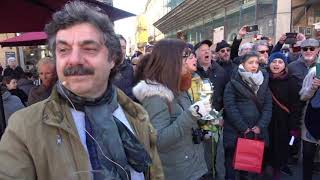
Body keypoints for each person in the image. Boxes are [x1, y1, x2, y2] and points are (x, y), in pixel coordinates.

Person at [0, 1, 163, 180]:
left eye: (89, 48)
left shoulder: (136, 115)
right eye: (63, 49)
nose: (74, 59)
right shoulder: (24, 128)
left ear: (113, 59)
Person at [133, 39, 210, 180]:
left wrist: (203, 125)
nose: (192, 58)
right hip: (179, 172)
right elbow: (159, 140)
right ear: (172, 60)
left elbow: (184, 126)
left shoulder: (180, 87)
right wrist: (191, 115)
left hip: (194, 166)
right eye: (187, 55)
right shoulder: (155, 95)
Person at [223, 52, 272, 180]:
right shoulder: (232, 83)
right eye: (250, 62)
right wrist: (243, 127)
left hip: (257, 132)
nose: (254, 65)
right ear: (243, 64)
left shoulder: (264, 82)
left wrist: (260, 126)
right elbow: (230, 107)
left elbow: (268, 107)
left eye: (256, 63)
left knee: (252, 166)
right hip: (236, 132)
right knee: (233, 166)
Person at [287, 38, 320, 165]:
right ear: (300, 50)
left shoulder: (319, 66)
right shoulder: (292, 66)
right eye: (305, 49)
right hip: (295, 106)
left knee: (313, 137)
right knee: (294, 133)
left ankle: (315, 161)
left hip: (314, 108)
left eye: (312, 48)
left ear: (318, 50)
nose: (308, 51)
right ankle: (293, 154)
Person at [267, 52, 298, 178]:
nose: (276, 64)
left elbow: (296, 106)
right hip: (266, 120)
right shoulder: (263, 78)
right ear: (269, 63)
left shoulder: (291, 81)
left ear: (285, 65)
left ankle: (277, 172)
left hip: (283, 122)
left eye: (280, 62)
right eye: (274, 61)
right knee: (266, 148)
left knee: (280, 149)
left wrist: (294, 127)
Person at [299, 66, 320, 180]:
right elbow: (303, 96)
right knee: (308, 155)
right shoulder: (315, 71)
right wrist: (313, 87)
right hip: (312, 119)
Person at [112, 35, 136, 100]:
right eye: (119, 47)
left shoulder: (131, 69)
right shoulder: (106, 69)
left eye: (124, 47)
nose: (122, 51)